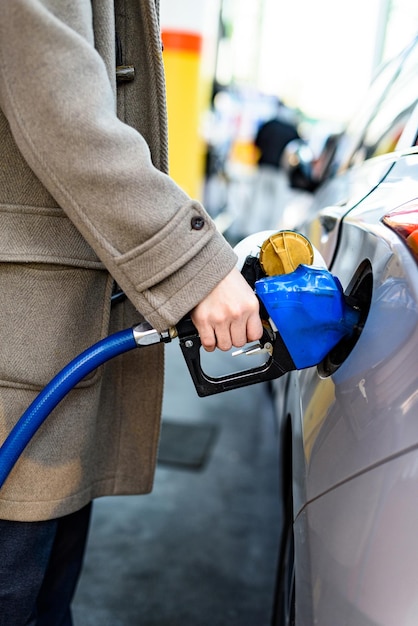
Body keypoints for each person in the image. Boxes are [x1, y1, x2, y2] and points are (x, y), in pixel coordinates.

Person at [0, 2, 262, 624]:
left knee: (41, 605)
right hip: (28, 347)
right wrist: (194, 263)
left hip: (55, 345)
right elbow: (58, 103)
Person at [240, 99, 300, 237]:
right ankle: (271, 234)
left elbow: (256, 142)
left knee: (257, 201)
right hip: (281, 172)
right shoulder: (292, 130)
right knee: (277, 205)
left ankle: (251, 232)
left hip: (264, 167)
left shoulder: (269, 124)